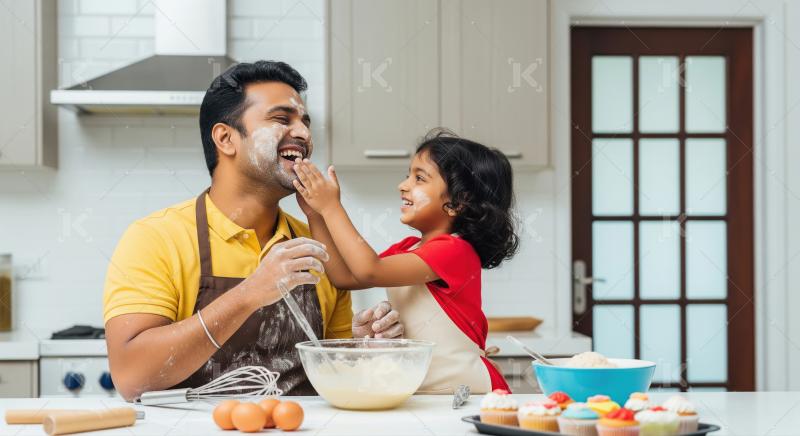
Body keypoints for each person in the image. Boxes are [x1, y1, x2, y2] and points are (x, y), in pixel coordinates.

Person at [102, 61, 403, 401]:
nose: (303, 133)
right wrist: (250, 294)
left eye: (304, 121)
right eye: (281, 119)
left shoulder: (318, 248)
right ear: (226, 138)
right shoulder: (156, 239)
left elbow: (336, 384)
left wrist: (359, 350)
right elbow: (131, 377)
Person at [291, 128, 520, 393]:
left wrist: (331, 207)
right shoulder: (409, 248)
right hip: (428, 392)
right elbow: (345, 278)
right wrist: (316, 215)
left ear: (459, 201)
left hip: (470, 390)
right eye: (408, 175)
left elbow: (369, 271)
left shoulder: (455, 250)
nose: (403, 185)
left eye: (419, 178)